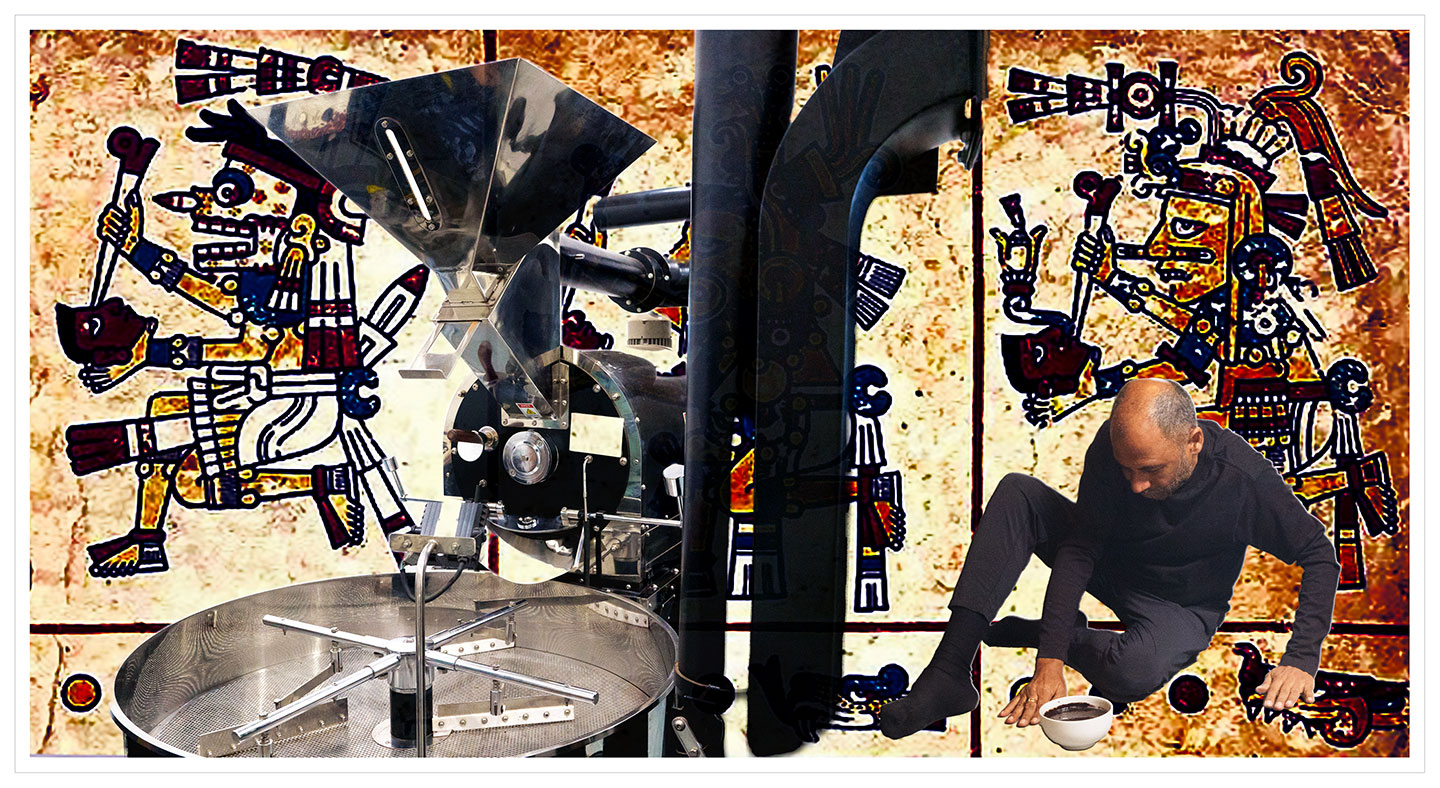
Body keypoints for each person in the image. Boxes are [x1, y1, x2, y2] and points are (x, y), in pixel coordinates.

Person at [878, 379, 1340, 739]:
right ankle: (948, 670)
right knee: (1018, 493)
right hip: (1112, 563)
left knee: (1133, 671)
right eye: (1126, 469)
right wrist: (1049, 660)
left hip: (1181, 604)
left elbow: (1319, 554)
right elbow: (1080, 548)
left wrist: (1301, 657)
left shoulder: (1245, 481)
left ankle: (1063, 632)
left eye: (1151, 470)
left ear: (1194, 442)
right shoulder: (1116, 447)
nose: (1135, 485)